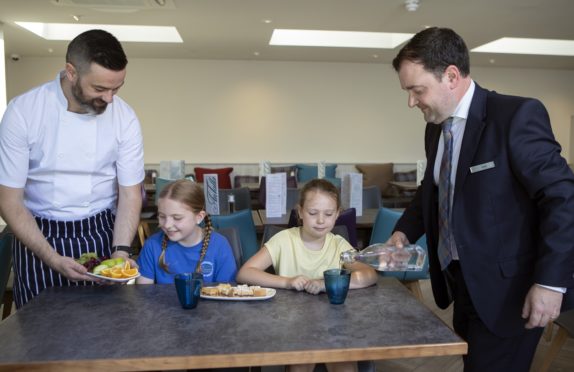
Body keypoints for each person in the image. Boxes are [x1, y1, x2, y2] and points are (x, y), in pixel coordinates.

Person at [389, 27, 574, 371]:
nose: (411, 101)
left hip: (510, 290)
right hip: (461, 282)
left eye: (417, 90)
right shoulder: (435, 128)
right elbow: (433, 189)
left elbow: (564, 198)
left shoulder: (515, 117)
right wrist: (403, 233)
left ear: (451, 76)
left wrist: (550, 282)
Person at [0, 29, 145, 308]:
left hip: (100, 232)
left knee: (103, 333)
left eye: (117, 88)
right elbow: (9, 201)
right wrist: (52, 257)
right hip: (39, 235)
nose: (110, 99)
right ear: (71, 72)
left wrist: (121, 251)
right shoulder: (24, 112)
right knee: (38, 335)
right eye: (100, 89)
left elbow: (129, 194)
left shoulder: (125, 118)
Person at [237, 178, 377, 372]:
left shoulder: (338, 245)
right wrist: (287, 281)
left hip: (334, 326)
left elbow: (369, 274)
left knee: (344, 360)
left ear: (337, 214)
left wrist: (325, 284)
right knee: (302, 358)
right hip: (292, 325)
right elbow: (245, 273)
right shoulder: (284, 240)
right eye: (313, 213)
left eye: (328, 214)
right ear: (300, 211)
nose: (320, 220)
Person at [136, 180, 237, 284]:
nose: (167, 225)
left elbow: (226, 292)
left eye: (177, 218)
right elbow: (144, 294)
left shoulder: (219, 245)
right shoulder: (152, 245)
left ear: (199, 217)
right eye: (162, 216)